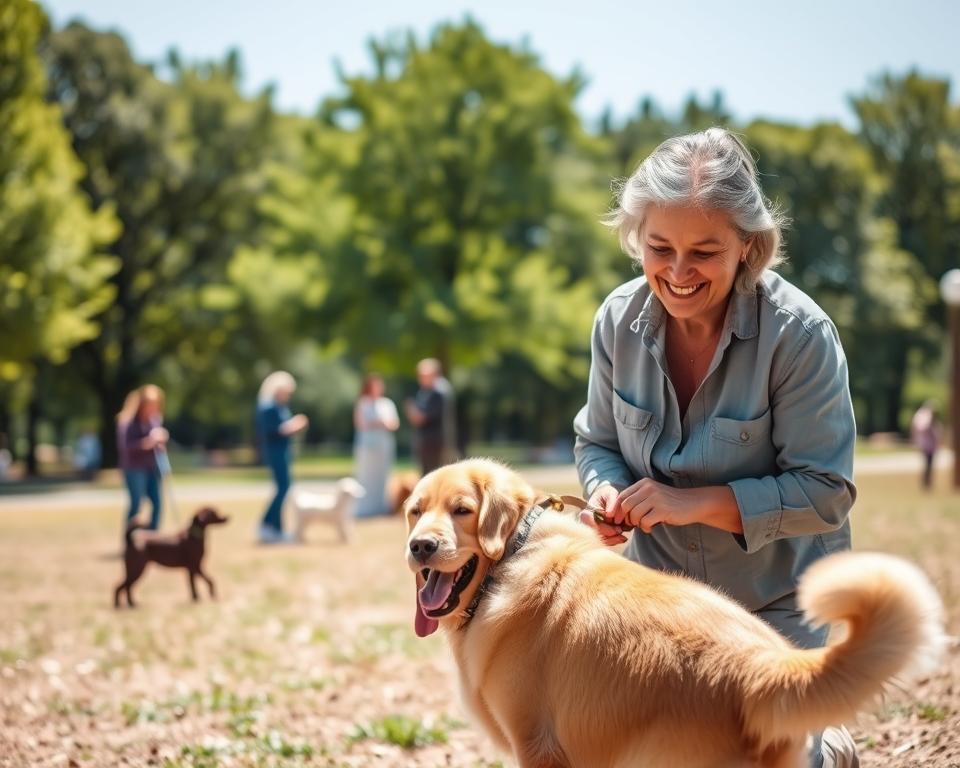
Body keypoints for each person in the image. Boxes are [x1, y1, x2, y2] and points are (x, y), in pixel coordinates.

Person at [573, 128, 859, 767]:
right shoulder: (615, 322)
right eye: (659, 248)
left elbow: (827, 493)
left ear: (748, 246)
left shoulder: (800, 335)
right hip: (657, 610)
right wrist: (604, 490)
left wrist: (693, 502)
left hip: (776, 609)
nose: (677, 273)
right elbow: (597, 441)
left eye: (704, 252)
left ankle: (828, 745)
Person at [255, 371, 309, 543]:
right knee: (283, 487)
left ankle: (277, 528)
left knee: (284, 488)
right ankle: (267, 524)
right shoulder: (268, 407)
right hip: (275, 452)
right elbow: (275, 430)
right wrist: (295, 424)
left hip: (283, 451)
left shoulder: (280, 407)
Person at [117, 385, 169, 532]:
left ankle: (153, 538)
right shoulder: (128, 422)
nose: (153, 408)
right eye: (150, 405)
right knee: (136, 504)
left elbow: (157, 444)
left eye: (156, 405)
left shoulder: (154, 421)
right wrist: (148, 442)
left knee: (157, 503)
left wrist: (161, 439)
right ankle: (130, 538)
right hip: (134, 468)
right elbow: (126, 447)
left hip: (152, 467)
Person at [353, 374, 400, 517]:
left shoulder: (387, 403)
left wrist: (383, 423)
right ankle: (365, 507)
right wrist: (379, 423)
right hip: (367, 445)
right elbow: (361, 424)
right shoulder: (362, 403)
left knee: (383, 475)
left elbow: (394, 423)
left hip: (384, 444)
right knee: (366, 475)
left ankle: (381, 506)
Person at [405, 358, 457, 475]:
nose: (420, 378)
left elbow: (420, 418)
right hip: (425, 442)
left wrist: (410, 407)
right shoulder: (424, 392)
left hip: (435, 444)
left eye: (424, 375)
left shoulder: (439, 393)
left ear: (434, 375)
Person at [910, 400, 942, 490]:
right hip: (925, 445)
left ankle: (928, 482)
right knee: (927, 464)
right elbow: (921, 428)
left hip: (931, 446)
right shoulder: (924, 417)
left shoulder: (934, 420)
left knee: (930, 464)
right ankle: (925, 482)